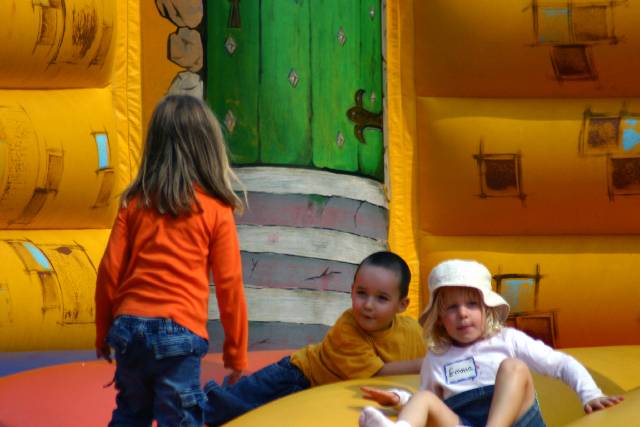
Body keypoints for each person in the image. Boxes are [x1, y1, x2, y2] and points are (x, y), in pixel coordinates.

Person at [95, 94, 248, 426]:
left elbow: (109, 271)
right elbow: (229, 284)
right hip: (179, 331)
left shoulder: (135, 203)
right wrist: (236, 352)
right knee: (179, 418)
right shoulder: (216, 210)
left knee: (130, 412)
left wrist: (103, 331)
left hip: (130, 329)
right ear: (209, 149)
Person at [359, 259, 624, 427]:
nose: (463, 314)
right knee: (424, 397)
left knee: (513, 367)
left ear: (487, 309)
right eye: (452, 307)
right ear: (439, 318)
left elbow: (561, 364)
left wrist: (591, 395)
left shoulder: (507, 340)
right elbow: (429, 402)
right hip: (464, 421)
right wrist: (399, 399)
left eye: (472, 304)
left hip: (517, 421)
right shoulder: (437, 357)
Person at [203, 251, 426, 426]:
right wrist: (421, 365)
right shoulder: (348, 328)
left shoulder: (411, 332)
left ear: (402, 305)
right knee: (232, 404)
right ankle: (193, 405)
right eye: (361, 293)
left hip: (324, 394)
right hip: (298, 375)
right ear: (351, 290)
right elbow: (376, 374)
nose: (368, 305)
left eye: (381, 298)